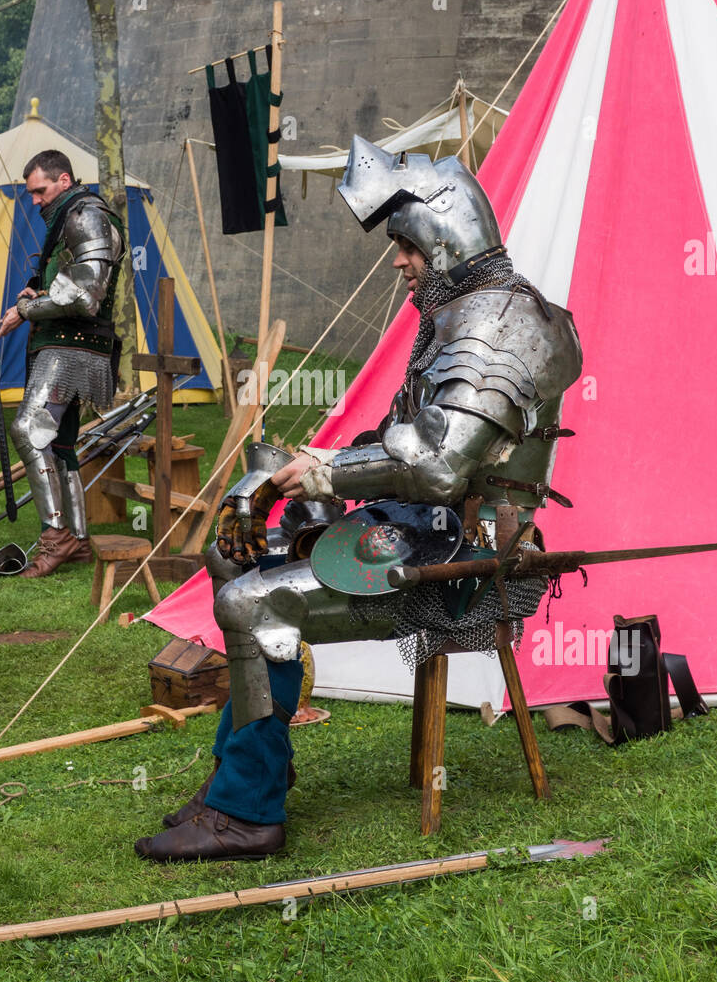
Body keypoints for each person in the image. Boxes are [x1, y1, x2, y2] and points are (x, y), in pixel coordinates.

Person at [135, 136, 581, 862]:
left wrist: (321, 475)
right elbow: (396, 438)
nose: (398, 261)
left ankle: (247, 814)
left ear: (441, 237)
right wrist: (274, 473)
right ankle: (244, 776)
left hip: (466, 545)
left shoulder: (501, 325)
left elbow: (438, 469)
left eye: (404, 245)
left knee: (254, 604)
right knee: (229, 562)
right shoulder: (463, 316)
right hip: (421, 524)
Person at [0, 150, 126, 578]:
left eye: (40, 190)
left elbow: (85, 298)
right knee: (60, 441)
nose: (34, 200)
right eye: (31, 192)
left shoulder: (85, 216)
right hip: (69, 344)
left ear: (64, 179)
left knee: (28, 430)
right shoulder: (70, 217)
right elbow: (70, 285)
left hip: (73, 345)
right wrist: (37, 294)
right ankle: (80, 540)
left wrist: (25, 312)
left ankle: (56, 537)